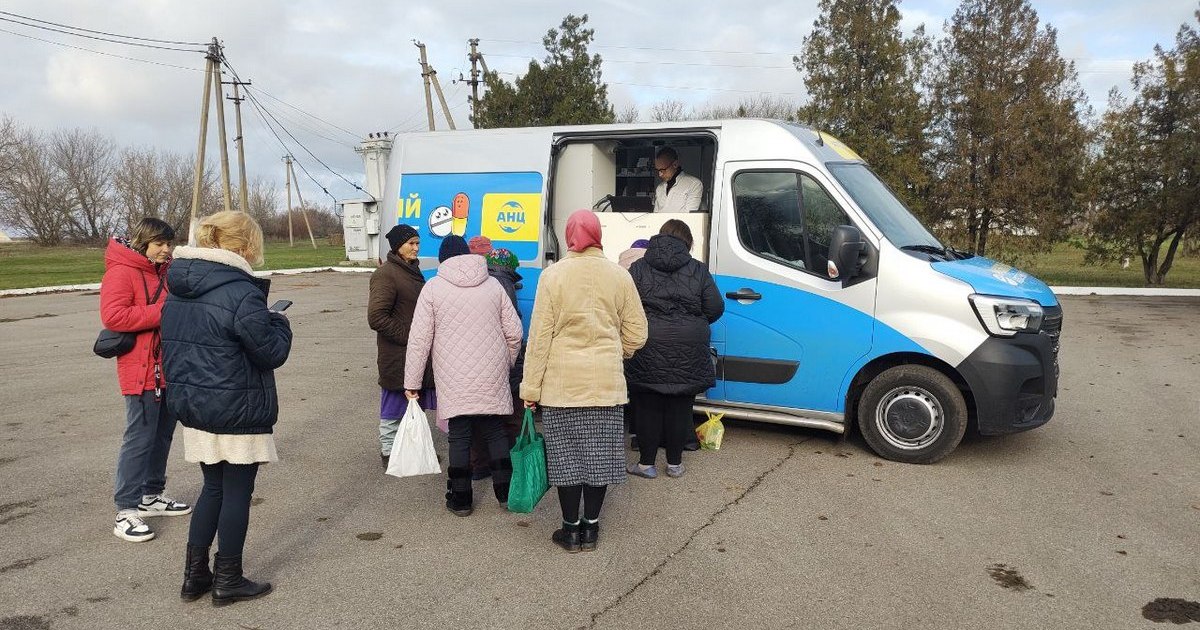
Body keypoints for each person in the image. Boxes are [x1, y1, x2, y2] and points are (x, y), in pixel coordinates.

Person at [162, 211, 292, 606]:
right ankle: (229, 579)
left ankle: (195, 575)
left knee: (212, 488)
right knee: (236, 492)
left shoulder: (179, 286)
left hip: (198, 404)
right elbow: (271, 351)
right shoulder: (240, 291)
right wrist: (280, 321)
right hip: (237, 405)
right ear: (245, 247)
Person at [521, 210, 648, 553]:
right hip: (606, 386)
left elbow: (540, 337)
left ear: (570, 236)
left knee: (567, 460)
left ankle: (570, 529)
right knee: (599, 459)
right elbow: (638, 331)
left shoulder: (553, 276)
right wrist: (616, 353)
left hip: (562, 388)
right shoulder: (620, 276)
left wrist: (530, 389)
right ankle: (591, 529)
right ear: (597, 234)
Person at [404, 235, 523, 517]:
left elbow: (420, 339)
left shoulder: (433, 288)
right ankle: (505, 493)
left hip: (453, 375)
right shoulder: (493, 284)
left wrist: (412, 383)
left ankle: (461, 499)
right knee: (495, 429)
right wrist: (504, 362)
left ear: (444, 260)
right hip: (492, 372)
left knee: (459, 436)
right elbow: (515, 333)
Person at [100, 217, 191, 543]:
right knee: (139, 438)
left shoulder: (164, 272)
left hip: (168, 368)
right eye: (159, 244)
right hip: (140, 369)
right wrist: (165, 312)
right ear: (143, 243)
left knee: (162, 434)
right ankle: (126, 509)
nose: (166, 249)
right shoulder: (122, 272)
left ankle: (151, 495)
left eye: (169, 243)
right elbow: (114, 316)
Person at [625, 219, 724, 479]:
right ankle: (675, 464)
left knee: (647, 404)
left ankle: (646, 465)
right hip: (688, 345)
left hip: (648, 343)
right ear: (687, 242)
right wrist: (693, 324)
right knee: (681, 405)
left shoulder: (638, 267)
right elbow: (715, 307)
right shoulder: (698, 269)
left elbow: (624, 307)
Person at [368, 224, 432, 470]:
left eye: (417, 243)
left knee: (413, 404)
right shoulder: (386, 274)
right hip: (397, 353)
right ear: (398, 247)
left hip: (413, 353)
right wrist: (411, 336)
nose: (416, 248)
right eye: (411, 244)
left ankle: (412, 453)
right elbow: (377, 317)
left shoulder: (412, 272)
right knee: (393, 404)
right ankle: (389, 453)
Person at [652, 147, 703, 213]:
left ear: (675, 164)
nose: (660, 174)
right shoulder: (660, 188)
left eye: (662, 170)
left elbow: (690, 217)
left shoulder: (694, 184)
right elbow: (655, 214)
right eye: (657, 170)